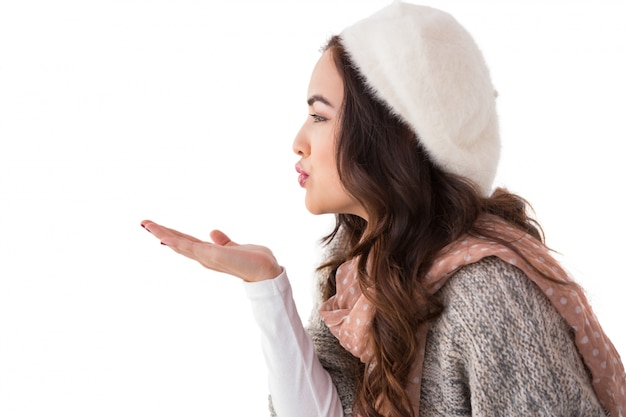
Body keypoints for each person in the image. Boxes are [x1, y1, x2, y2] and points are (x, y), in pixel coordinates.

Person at [141, 2, 625, 416]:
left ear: (398, 132)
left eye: (319, 115)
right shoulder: (362, 267)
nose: (297, 142)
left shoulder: (490, 294)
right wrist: (266, 287)